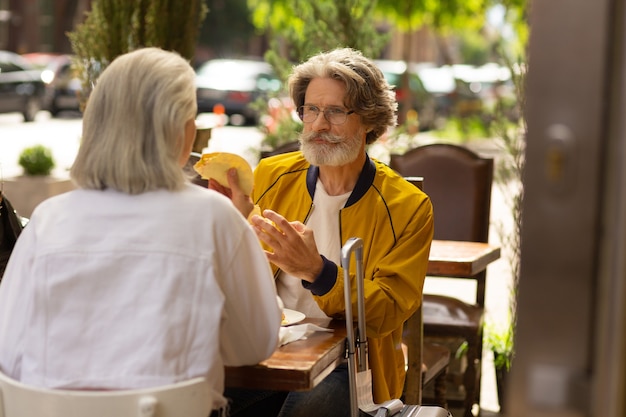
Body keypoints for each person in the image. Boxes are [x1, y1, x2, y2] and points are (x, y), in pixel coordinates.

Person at [0, 47, 281, 415]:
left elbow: (9, 350)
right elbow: (255, 346)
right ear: (181, 130)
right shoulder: (215, 216)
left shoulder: (48, 219)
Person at [215, 47, 434, 417]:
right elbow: (230, 278)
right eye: (310, 110)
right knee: (196, 391)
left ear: (368, 120)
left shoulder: (408, 207)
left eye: (334, 111)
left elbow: (389, 310)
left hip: (351, 361)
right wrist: (227, 226)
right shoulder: (270, 176)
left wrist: (319, 272)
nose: (317, 125)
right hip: (266, 345)